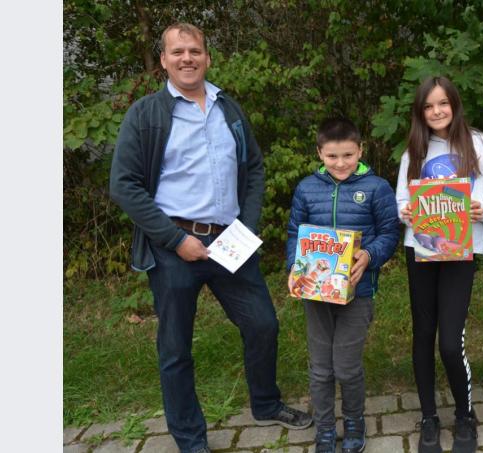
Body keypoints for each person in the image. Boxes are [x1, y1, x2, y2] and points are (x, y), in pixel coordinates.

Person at [109, 23, 311, 453]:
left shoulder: (228, 109)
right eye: (177, 51)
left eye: (195, 50)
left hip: (229, 242)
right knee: (176, 347)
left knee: (262, 325)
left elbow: (253, 168)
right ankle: (190, 439)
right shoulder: (146, 114)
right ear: (163, 60)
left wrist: (247, 225)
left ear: (207, 57)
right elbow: (124, 185)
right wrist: (174, 239)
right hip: (173, 246)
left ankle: (266, 404)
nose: (187, 58)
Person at [396, 76, 483, 453]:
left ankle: (465, 413)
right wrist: (407, 212)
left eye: (442, 103)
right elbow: (400, 202)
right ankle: (429, 417)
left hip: (461, 251)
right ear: (420, 112)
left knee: (449, 341)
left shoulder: (481, 144)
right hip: (422, 251)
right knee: (423, 335)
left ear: (455, 104)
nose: (436, 111)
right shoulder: (414, 150)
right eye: (428, 106)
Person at [285, 117, 399, 453]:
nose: (341, 163)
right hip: (316, 294)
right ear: (320, 152)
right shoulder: (306, 188)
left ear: (360, 150)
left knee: (347, 367)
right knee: (321, 369)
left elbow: (390, 233)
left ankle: (353, 421)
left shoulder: (377, 187)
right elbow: (295, 233)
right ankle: (323, 428)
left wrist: (369, 255)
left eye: (348, 155)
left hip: (357, 293)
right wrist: (295, 266)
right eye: (332, 156)